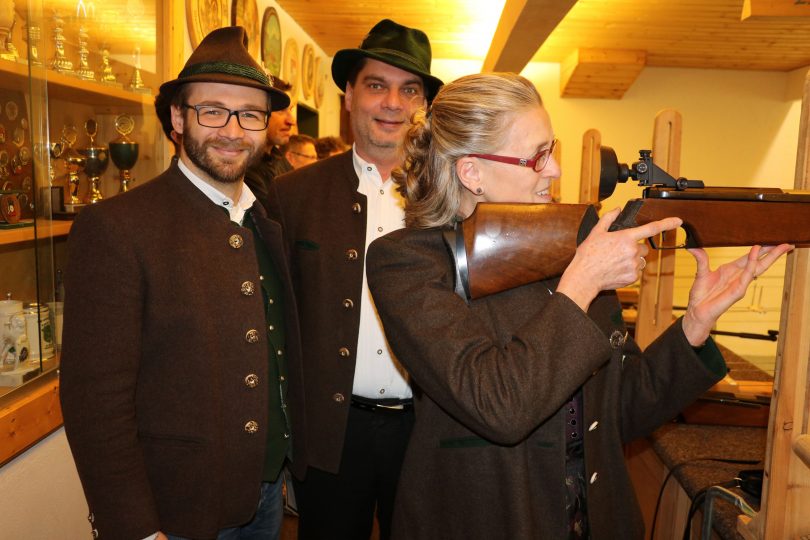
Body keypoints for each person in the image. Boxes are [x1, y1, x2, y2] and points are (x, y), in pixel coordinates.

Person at [364, 73, 793, 539]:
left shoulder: (568, 247)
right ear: (472, 173)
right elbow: (499, 406)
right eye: (537, 157)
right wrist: (582, 281)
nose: (554, 170)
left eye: (552, 151)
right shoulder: (407, 263)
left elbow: (618, 414)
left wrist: (695, 324)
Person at [60, 26, 308, 540]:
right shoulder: (117, 227)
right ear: (178, 118)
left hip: (265, 497)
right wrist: (134, 527)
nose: (233, 130)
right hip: (176, 511)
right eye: (212, 111)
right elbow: (96, 400)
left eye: (250, 114)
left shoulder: (266, 221)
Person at [267, 18, 443, 540]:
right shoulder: (293, 195)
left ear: (423, 105)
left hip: (426, 430)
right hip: (330, 435)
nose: (392, 103)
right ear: (349, 95)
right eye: (376, 85)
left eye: (409, 90)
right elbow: (272, 324)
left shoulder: (452, 197)